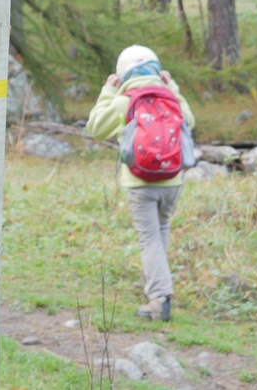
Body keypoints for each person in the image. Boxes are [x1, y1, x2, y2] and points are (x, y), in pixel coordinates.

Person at [87, 45, 196, 321]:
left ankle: (159, 299)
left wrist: (107, 92)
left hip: (139, 182)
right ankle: (155, 287)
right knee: (159, 232)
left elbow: (95, 127)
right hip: (172, 179)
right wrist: (174, 88)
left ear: (123, 73)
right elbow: (190, 122)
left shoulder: (126, 100)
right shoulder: (171, 96)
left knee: (149, 238)